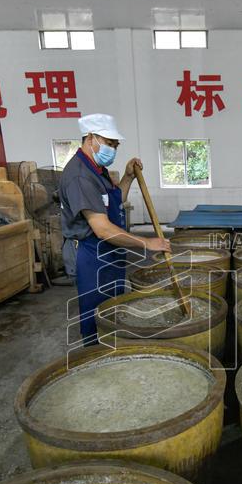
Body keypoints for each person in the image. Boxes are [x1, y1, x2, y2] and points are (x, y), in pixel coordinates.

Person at [58, 113, 170, 341]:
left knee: (112, 311)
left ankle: (113, 348)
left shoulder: (97, 170)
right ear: (91, 138)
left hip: (109, 252)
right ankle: (95, 357)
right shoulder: (80, 176)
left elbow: (113, 205)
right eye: (110, 144)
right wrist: (147, 243)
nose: (113, 150)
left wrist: (128, 177)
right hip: (91, 254)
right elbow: (103, 229)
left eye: (116, 145)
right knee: (96, 316)